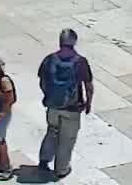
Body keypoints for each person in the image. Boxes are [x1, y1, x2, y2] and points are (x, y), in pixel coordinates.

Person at [36, 28, 94, 180]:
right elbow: (88, 86)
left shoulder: (49, 59)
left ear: (60, 42)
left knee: (52, 131)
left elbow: (42, 82)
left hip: (52, 106)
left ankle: (44, 160)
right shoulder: (80, 62)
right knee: (67, 139)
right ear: (74, 42)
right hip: (72, 109)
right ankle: (61, 169)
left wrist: (49, 96)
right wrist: (88, 103)